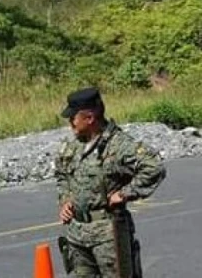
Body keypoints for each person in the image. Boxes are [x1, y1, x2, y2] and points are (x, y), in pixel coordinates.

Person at [55, 87, 167, 277]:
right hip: (77, 234)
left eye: (73, 117)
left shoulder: (119, 145)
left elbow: (154, 167)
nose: (70, 123)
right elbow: (62, 175)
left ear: (89, 118)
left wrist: (124, 194)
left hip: (108, 236)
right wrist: (65, 199)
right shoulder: (73, 146)